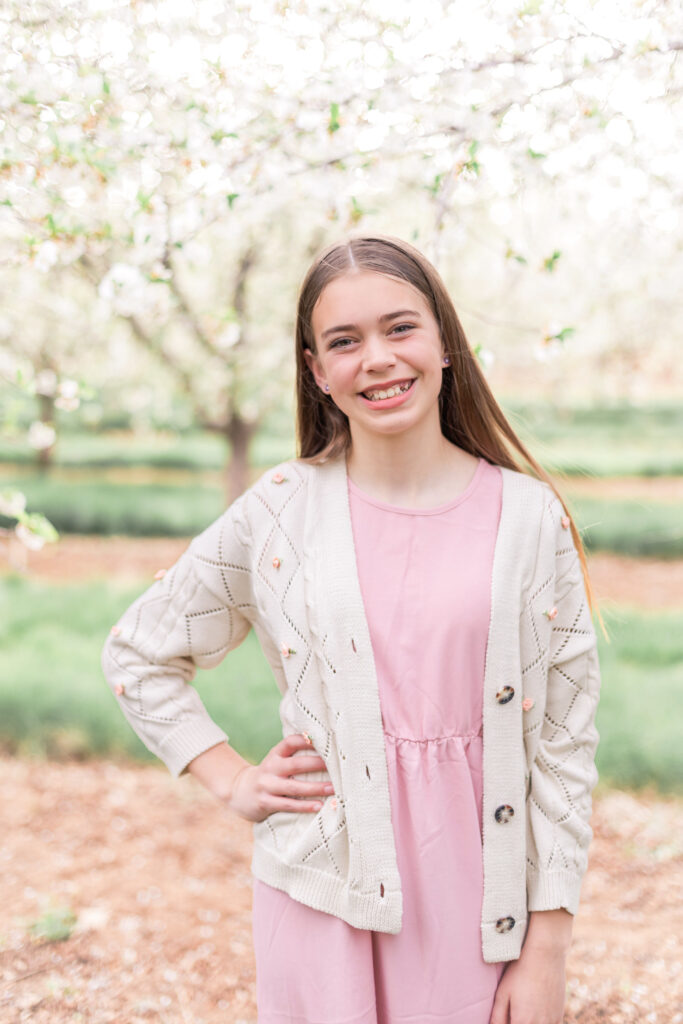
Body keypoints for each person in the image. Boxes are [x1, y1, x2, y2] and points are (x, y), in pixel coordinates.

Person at [101, 234, 601, 1024]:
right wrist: (231, 778)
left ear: (443, 342)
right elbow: (139, 652)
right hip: (323, 897)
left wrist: (547, 949)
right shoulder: (279, 511)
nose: (376, 359)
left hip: (481, 905)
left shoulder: (529, 518)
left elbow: (564, 747)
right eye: (344, 341)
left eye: (399, 329)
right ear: (315, 370)